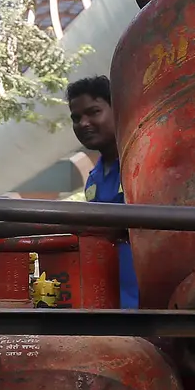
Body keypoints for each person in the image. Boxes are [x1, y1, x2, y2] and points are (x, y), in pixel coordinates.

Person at [67, 75, 139, 309]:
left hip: (149, 307)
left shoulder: (140, 164)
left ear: (117, 109)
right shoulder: (94, 178)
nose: (83, 123)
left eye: (93, 112)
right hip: (108, 305)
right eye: (76, 118)